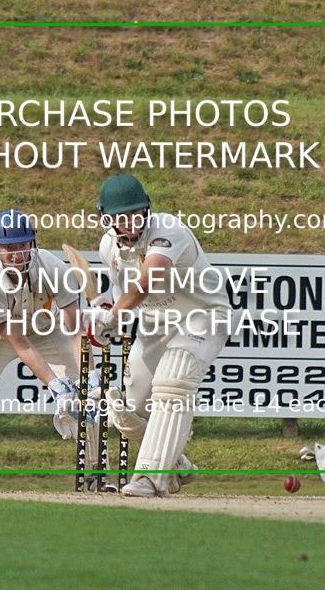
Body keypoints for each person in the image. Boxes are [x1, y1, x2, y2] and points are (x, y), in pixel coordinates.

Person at [0, 209, 113, 492]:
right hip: (0, 336)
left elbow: (75, 331)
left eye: (22, 245)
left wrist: (90, 373)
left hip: (47, 328)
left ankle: (97, 473)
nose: (17, 255)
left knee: (86, 392)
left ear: (32, 242)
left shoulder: (53, 268)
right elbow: (20, 343)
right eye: (9, 248)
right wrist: (55, 385)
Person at [83, 174, 231, 497]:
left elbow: (146, 280)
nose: (130, 223)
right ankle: (175, 463)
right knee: (131, 410)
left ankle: (151, 478)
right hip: (155, 325)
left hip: (202, 316)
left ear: (147, 209)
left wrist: (112, 314)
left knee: (172, 382)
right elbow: (126, 293)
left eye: (136, 214)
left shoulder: (168, 230)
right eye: (121, 217)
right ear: (106, 218)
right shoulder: (109, 248)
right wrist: (110, 320)